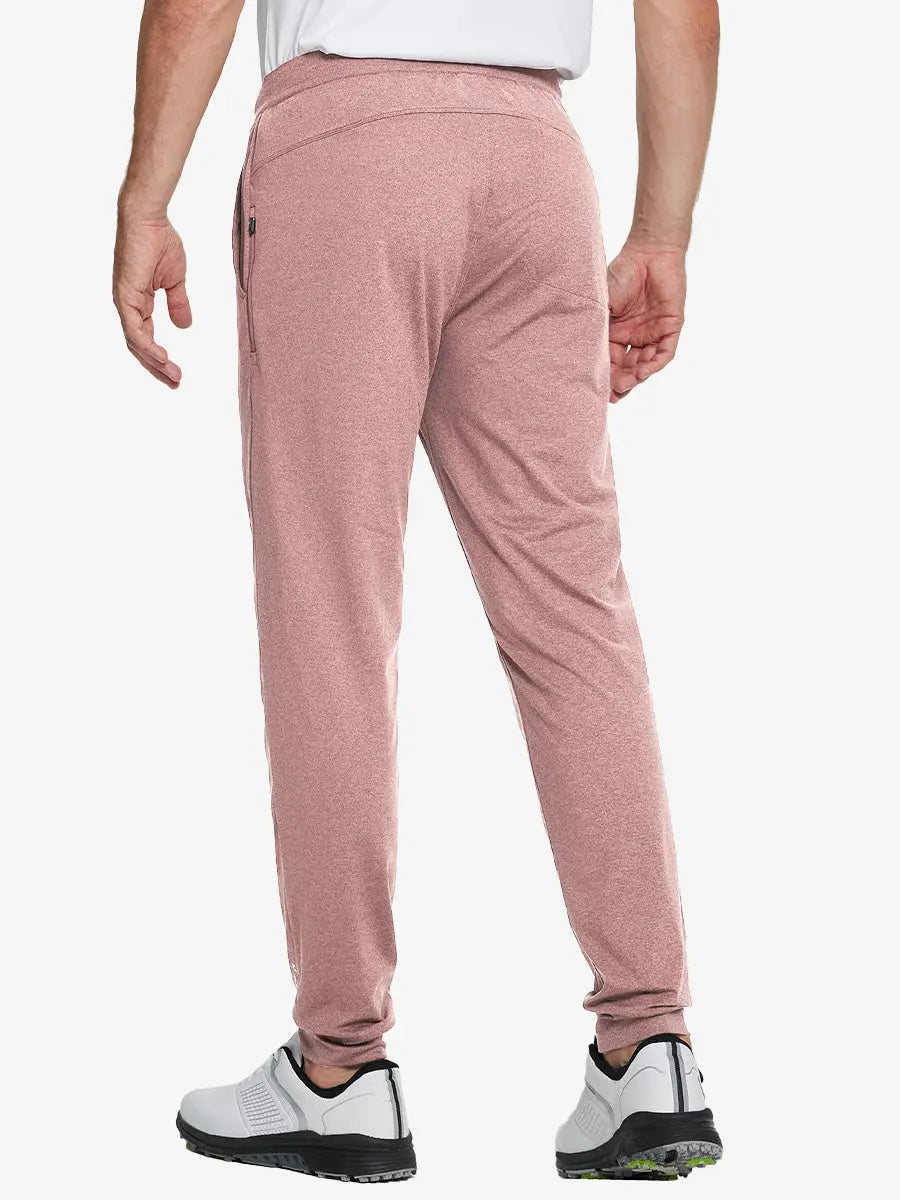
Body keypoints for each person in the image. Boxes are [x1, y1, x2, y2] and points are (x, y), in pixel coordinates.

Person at [113, 0, 721, 1182]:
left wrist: (146, 197)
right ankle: (650, 1048)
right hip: (536, 161)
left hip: (346, 147)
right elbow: (682, 11)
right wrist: (663, 229)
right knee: (575, 614)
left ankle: (339, 1069)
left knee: (333, 611)